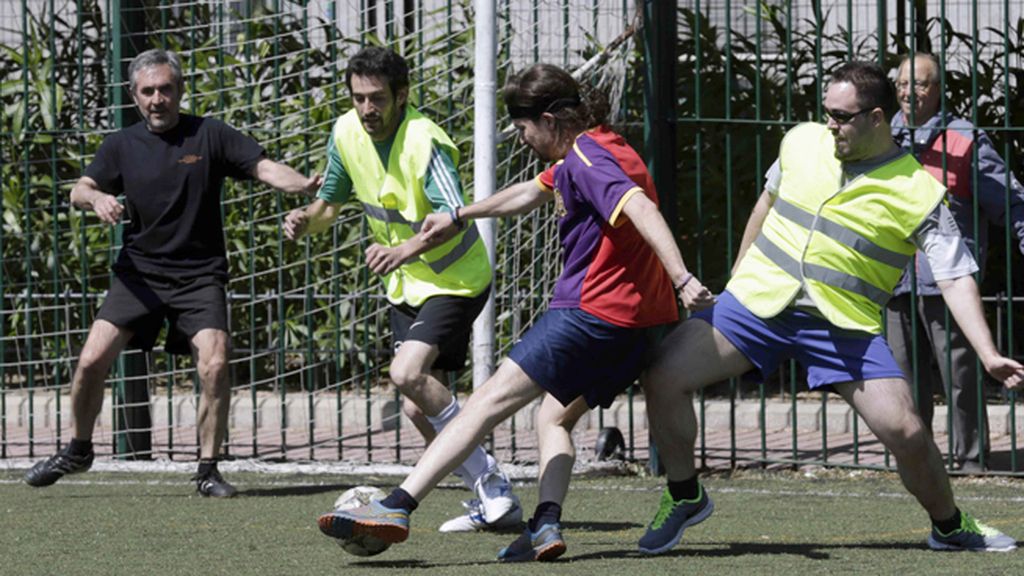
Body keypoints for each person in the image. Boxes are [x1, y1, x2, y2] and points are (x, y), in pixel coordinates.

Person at [315, 62, 714, 562]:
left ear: (549, 119)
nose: (521, 138)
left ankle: (397, 505)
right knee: (553, 417)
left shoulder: (589, 157)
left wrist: (682, 277)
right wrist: (460, 214)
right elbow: (532, 191)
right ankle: (545, 525)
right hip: (636, 327)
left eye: (523, 128)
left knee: (488, 401)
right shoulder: (599, 145)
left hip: (592, 313)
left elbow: (638, 207)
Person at [636, 61, 1023, 555]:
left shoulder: (919, 191)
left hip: (842, 326)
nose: (830, 125)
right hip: (757, 304)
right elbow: (766, 205)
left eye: (842, 116)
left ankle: (949, 525)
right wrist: (736, 280)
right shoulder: (801, 141)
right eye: (827, 113)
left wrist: (987, 353)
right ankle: (685, 494)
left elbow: (953, 275)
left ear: (877, 118)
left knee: (905, 429)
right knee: (662, 375)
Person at [23, 48, 322, 497]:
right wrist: (98, 199)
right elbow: (79, 189)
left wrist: (301, 183)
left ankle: (207, 470)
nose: (157, 98)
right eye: (148, 91)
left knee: (216, 362)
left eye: (165, 88)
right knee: (89, 361)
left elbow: (262, 166)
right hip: (138, 276)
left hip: (199, 276)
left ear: (180, 90)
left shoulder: (210, 135)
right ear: (134, 95)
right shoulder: (120, 145)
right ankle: (79, 449)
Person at [282, 46, 519, 531]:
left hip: (456, 279)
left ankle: (493, 484)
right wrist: (305, 221)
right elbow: (329, 207)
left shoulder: (424, 140)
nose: (366, 109)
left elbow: (452, 218)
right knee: (416, 405)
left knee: (406, 372)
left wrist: (406, 249)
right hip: (406, 284)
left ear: (402, 95)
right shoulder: (345, 133)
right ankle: (492, 497)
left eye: (376, 98)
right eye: (358, 98)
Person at [886, 53, 1024, 473]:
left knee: (961, 374)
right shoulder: (881, 136)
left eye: (922, 84)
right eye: (904, 84)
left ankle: (970, 458)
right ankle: (917, 457)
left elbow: (1008, 200)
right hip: (891, 277)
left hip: (947, 277)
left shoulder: (964, 138)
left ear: (938, 89)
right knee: (903, 379)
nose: (911, 92)